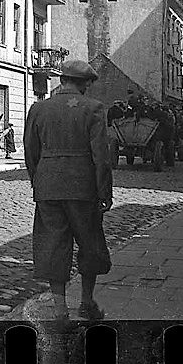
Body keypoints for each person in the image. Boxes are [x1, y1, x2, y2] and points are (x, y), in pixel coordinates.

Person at [24, 59, 113, 321]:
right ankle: (86, 303)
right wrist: (104, 193)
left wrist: (38, 181)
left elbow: (31, 152)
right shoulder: (93, 108)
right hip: (84, 188)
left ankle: (60, 310)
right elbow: (102, 157)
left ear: (61, 80)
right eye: (88, 83)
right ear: (84, 83)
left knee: (53, 245)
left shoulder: (39, 108)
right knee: (90, 243)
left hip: (49, 187)